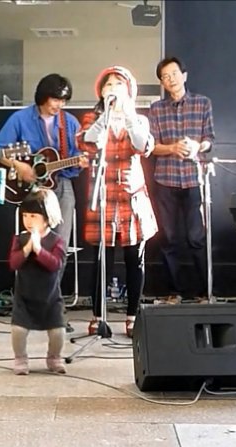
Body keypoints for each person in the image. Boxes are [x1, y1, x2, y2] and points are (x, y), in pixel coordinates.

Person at [78, 66, 158, 337]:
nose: (113, 88)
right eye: (108, 84)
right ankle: (98, 315)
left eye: (119, 84)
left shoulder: (139, 120)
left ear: (129, 91)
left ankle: (133, 316)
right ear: (101, 91)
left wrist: (128, 115)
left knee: (135, 259)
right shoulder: (92, 118)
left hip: (131, 196)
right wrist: (106, 116)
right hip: (103, 196)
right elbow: (88, 142)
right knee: (102, 260)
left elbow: (142, 146)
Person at [0, 74, 88, 254]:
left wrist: (80, 162)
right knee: (30, 244)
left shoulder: (69, 122)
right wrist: (19, 166)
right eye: (56, 99)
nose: (60, 105)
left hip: (61, 183)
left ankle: (56, 273)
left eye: (63, 101)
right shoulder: (20, 119)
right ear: (43, 96)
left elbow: (78, 154)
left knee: (59, 245)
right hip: (30, 188)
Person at [147, 56, 216, 304]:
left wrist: (197, 146)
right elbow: (151, 146)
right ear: (162, 83)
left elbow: (209, 139)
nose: (171, 79)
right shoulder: (156, 109)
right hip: (165, 180)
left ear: (184, 76)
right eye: (165, 77)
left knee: (196, 238)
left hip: (194, 179)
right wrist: (172, 148)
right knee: (168, 238)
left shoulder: (202, 103)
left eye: (174, 74)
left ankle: (204, 292)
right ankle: (173, 292)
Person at [8, 189, 67, 375]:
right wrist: (27, 249)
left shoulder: (57, 241)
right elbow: (14, 263)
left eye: (33, 216)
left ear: (47, 218)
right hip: (24, 298)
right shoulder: (20, 239)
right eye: (25, 216)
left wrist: (39, 250)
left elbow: (55, 264)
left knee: (58, 332)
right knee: (18, 330)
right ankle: (20, 358)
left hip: (50, 298)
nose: (28, 220)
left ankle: (54, 357)